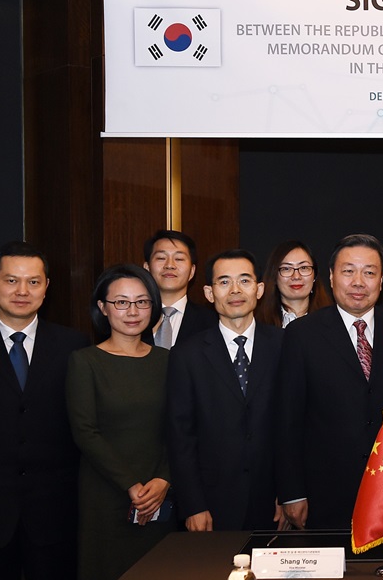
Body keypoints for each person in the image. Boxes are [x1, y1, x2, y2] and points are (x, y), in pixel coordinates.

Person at [0, 241, 88, 580]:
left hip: (58, 513)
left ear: (46, 287)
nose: (22, 291)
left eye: (33, 281)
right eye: (11, 280)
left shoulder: (75, 346)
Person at [276, 234, 383, 529]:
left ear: (382, 280)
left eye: (369, 272)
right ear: (331, 277)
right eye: (348, 271)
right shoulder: (302, 335)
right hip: (324, 492)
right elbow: (287, 419)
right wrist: (292, 493)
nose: (359, 282)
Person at [66, 265, 173, 580]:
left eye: (142, 302)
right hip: (106, 496)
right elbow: (85, 432)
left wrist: (164, 480)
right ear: (102, 307)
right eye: (121, 302)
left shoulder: (168, 361)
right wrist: (132, 486)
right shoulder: (85, 361)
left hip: (160, 495)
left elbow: (181, 428)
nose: (133, 311)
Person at [168, 250, 286, 531]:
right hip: (212, 501)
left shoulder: (285, 346)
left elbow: (296, 426)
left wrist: (290, 493)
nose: (235, 290)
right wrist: (193, 504)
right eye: (224, 282)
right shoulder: (186, 354)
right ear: (209, 293)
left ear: (259, 289)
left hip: (274, 501)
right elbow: (180, 436)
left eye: (244, 281)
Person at [142, 230, 216, 348]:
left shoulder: (212, 322)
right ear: (147, 268)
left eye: (179, 259)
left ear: (192, 271)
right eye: (161, 258)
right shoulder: (132, 317)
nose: (170, 265)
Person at [257, 240, 333, 328]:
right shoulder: (259, 324)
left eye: (304, 268)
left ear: (314, 275)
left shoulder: (332, 321)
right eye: (286, 269)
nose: (296, 276)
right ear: (274, 276)